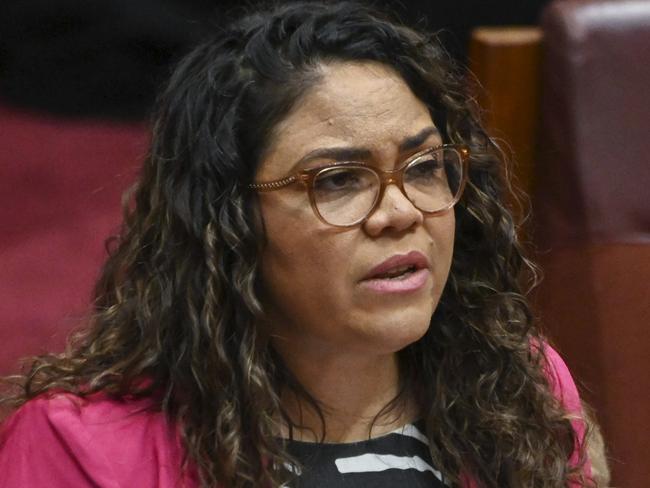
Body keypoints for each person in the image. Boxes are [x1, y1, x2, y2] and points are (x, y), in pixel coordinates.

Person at [0, 2, 597, 487]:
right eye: (337, 181)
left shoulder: (516, 390)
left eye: (423, 167)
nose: (401, 212)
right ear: (228, 221)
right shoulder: (81, 451)